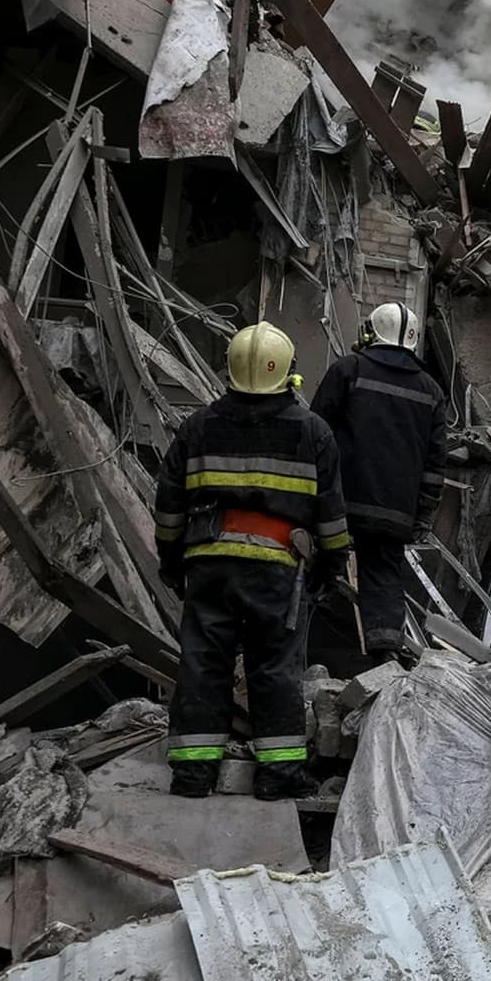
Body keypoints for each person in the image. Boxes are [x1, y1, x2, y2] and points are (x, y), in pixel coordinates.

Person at [154, 322, 351, 800]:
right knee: (274, 667)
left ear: (230, 369)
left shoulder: (197, 427)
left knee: (203, 663)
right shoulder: (312, 432)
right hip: (277, 570)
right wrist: (330, 567)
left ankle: (193, 775)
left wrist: (171, 561)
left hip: (209, 563)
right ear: (288, 373)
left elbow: (169, 507)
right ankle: (278, 775)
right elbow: (331, 518)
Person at [311, 303, 447, 664]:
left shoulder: (347, 371)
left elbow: (315, 436)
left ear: (371, 331)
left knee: (318, 565)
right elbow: (435, 465)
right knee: (385, 579)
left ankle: (298, 643)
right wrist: (423, 515)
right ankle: (385, 656)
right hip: (395, 512)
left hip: (339, 504)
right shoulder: (431, 390)